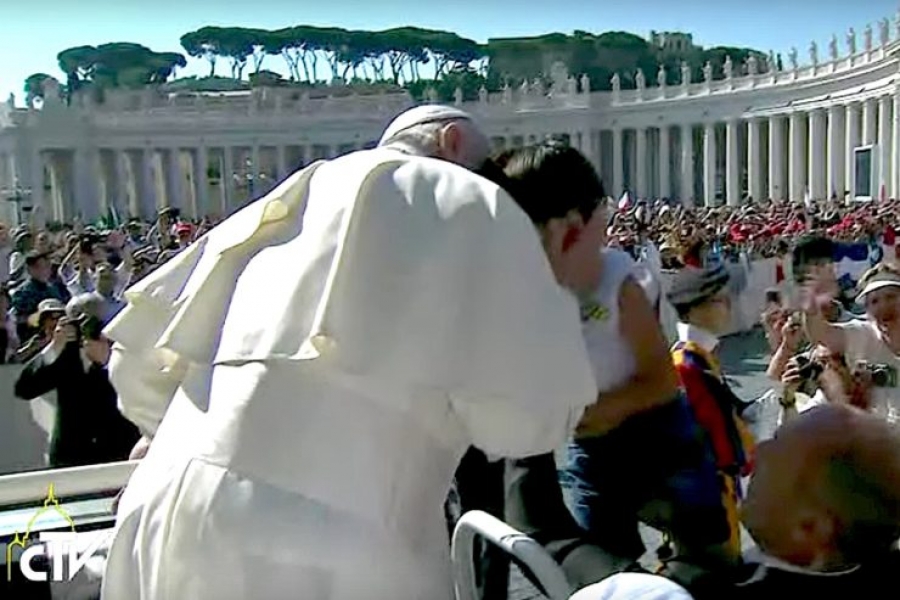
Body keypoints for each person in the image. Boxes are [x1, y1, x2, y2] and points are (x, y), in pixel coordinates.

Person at [99, 105, 598, 600]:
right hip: (326, 543)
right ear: (451, 142)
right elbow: (527, 423)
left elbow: (133, 365)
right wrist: (552, 276)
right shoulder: (474, 199)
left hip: (161, 506)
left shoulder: (292, 195)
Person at [495, 144, 732, 586]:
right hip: (591, 450)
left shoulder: (617, 285)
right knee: (607, 561)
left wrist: (597, 411)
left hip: (657, 432)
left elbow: (661, 381)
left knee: (707, 549)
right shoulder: (527, 297)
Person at [667, 265, 755, 567]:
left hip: (721, 487)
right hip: (705, 495)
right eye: (719, 300)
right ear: (694, 308)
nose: (728, 306)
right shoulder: (685, 365)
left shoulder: (701, 356)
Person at [804, 262, 900, 423]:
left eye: (891, 297)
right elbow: (820, 334)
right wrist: (812, 300)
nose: (884, 305)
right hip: (869, 435)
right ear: (867, 310)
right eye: (874, 301)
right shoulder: (861, 333)